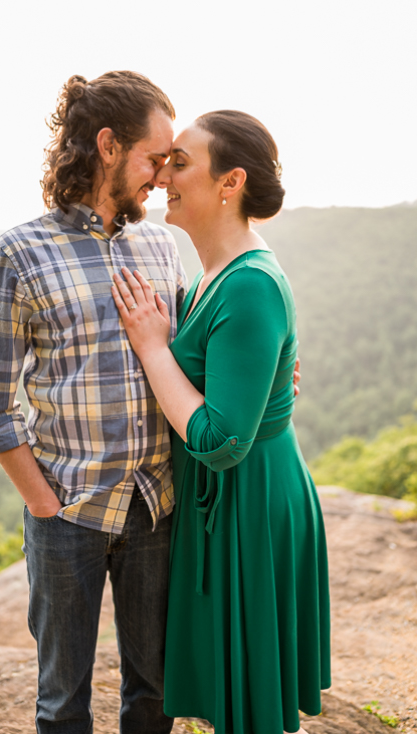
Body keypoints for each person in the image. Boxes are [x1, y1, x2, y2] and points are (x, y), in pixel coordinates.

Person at [0, 71, 184, 733]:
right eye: (156, 157)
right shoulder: (15, 254)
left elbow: (191, 359)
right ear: (109, 146)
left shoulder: (162, 245)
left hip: (155, 508)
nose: (163, 175)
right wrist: (43, 504)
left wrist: (269, 378)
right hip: (68, 517)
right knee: (63, 705)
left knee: (154, 695)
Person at [110, 111, 330, 734]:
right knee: (233, 695)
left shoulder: (248, 285)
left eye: (180, 162)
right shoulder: (211, 274)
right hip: (230, 505)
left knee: (250, 709)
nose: (163, 174)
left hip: (248, 505)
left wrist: (153, 347)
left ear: (230, 183)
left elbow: (222, 440)